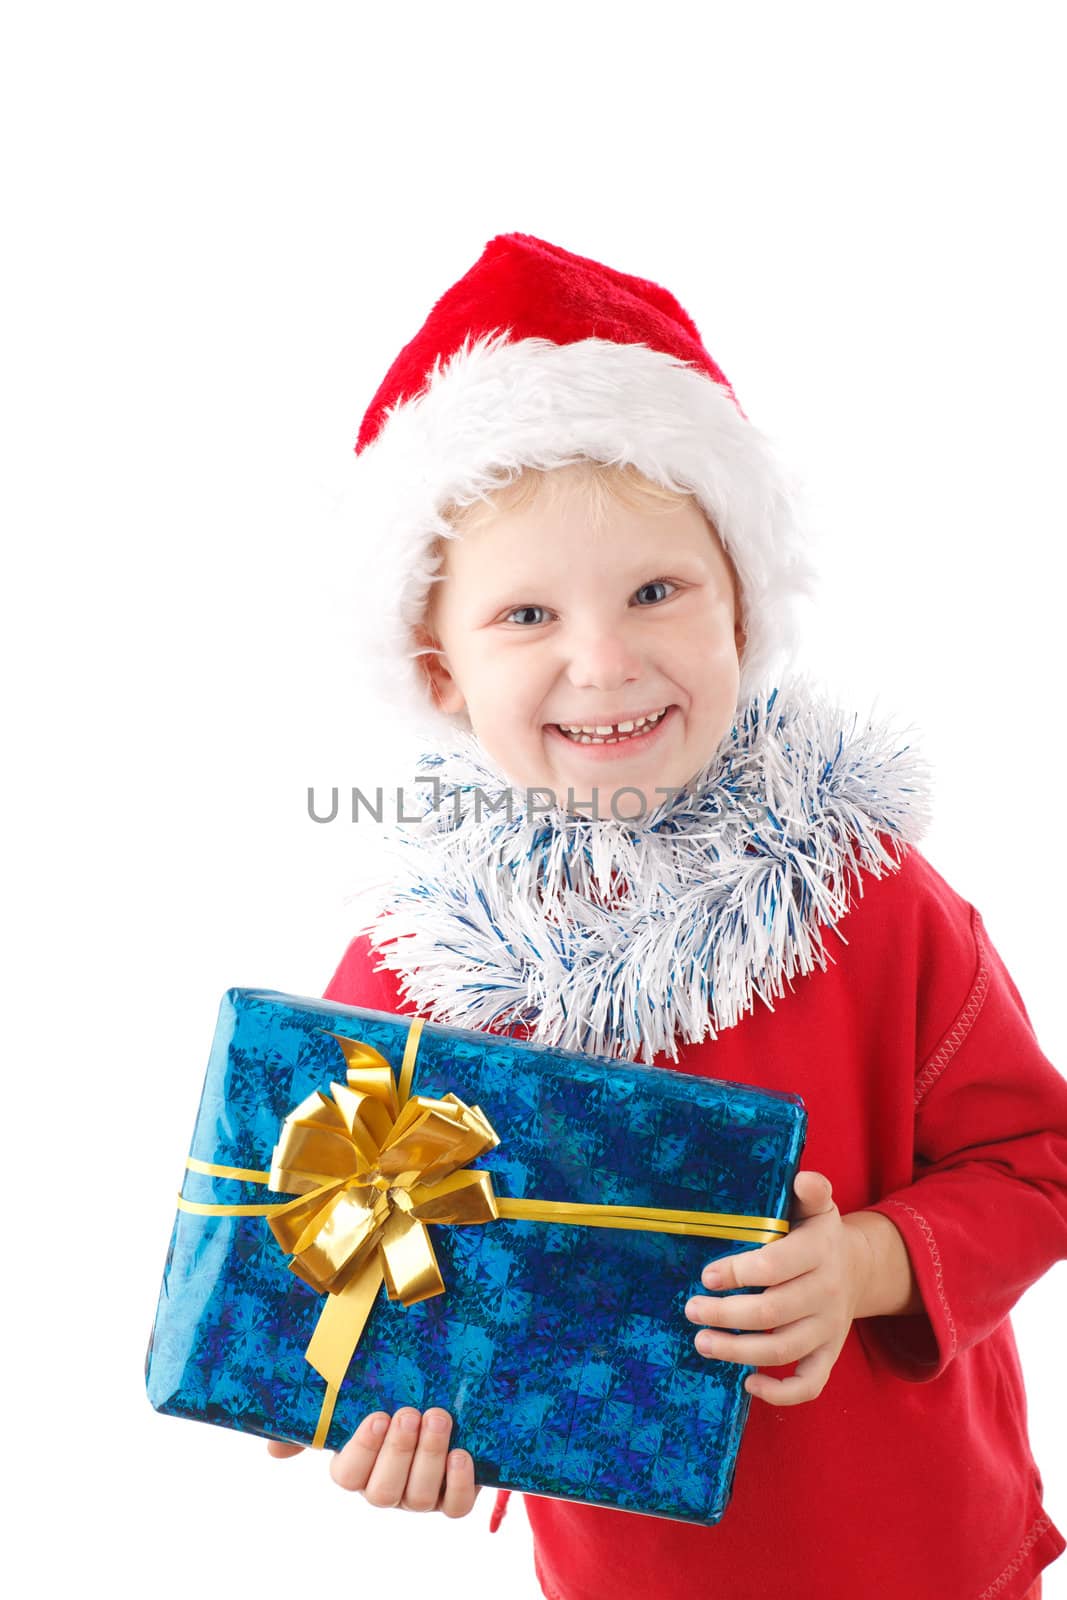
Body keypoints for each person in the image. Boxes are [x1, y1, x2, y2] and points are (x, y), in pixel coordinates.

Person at [267, 233, 1066, 1600]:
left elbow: (1038, 1164)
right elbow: (300, 1301)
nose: (604, 660)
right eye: (525, 613)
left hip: (934, 1557)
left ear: (741, 606)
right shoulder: (411, 984)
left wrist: (871, 1261)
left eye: (655, 590)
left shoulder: (869, 899)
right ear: (438, 669)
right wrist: (362, 1412)